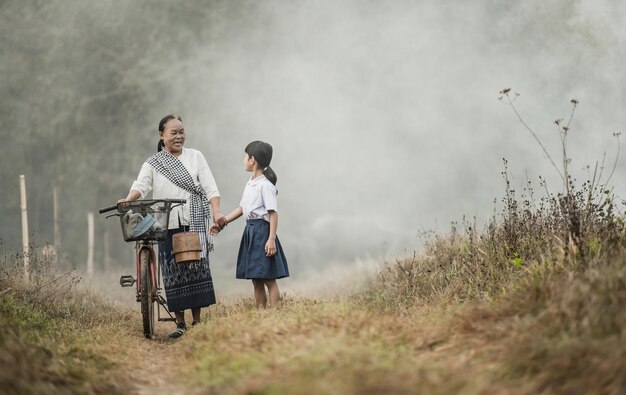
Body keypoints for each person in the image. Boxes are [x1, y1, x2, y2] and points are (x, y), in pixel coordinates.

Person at [119, 115, 226, 338]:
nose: (179, 137)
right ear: (161, 135)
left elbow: (210, 188)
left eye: (181, 132)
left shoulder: (196, 157)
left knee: (196, 270)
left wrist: (216, 211)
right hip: (166, 223)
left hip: (194, 221)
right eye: (173, 133)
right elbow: (141, 185)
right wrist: (129, 198)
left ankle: (197, 322)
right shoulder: (153, 163)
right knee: (172, 272)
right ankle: (180, 323)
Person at [212, 140, 289, 308]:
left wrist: (271, 239)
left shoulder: (265, 186)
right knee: (256, 278)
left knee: (268, 278)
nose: (243, 159)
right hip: (251, 232)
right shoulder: (250, 183)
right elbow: (242, 208)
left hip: (263, 232)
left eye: (245, 156)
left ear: (252, 159)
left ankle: (276, 313)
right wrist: (223, 221)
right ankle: (261, 313)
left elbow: (273, 214)